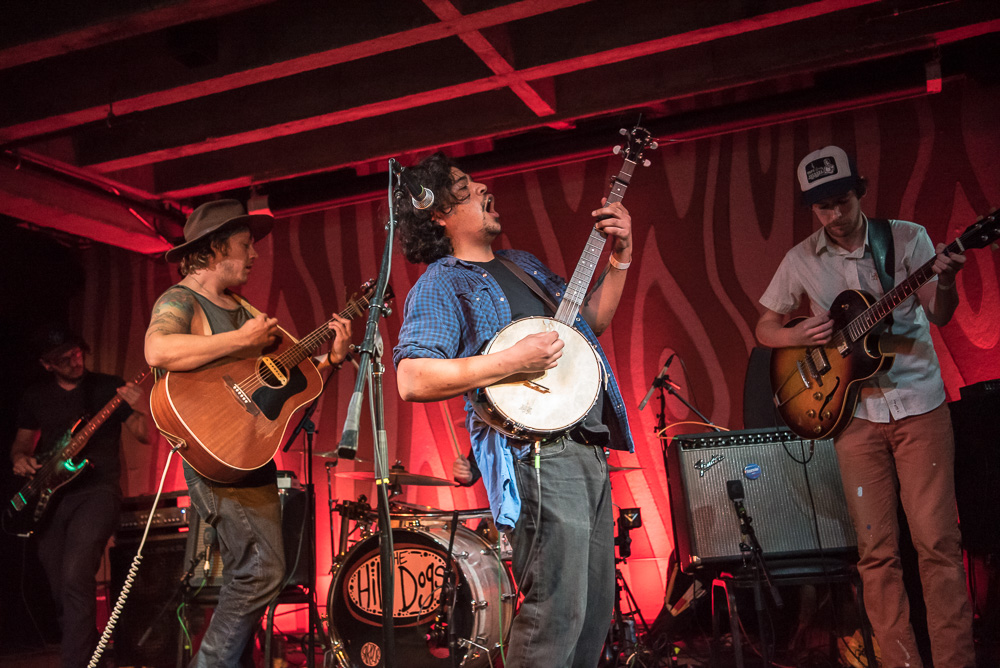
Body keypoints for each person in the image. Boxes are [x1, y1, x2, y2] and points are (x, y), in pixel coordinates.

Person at [393, 153, 636, 668]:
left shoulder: (520, 264)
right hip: (536, 455)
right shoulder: (442, 283)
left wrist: (620, 259)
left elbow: (586, 325)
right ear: (438, 213)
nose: (483, 185)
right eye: (463, 185)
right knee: (557, 613)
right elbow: (412, 377)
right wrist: (507, 361)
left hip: (587, 447)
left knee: (593, 614)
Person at [755, 146, 975, 668]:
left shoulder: (905, 237)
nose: (833, 216)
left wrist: (944, 277)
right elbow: (764, 327)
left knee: (938, 543)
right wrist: (795, 332)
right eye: (822, 207)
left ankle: (955, 662)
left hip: (919, 405)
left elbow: (939, 315)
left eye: (842, 202)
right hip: (853, 417)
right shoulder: (800, 259)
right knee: (877, 554)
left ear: (861, 191)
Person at [144, 199, 352, 667]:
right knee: (259, 572)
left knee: (260, 571)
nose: (254, 256)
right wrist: (240, 340)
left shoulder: (244, 309)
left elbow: (288, 384)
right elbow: (157, 348)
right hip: (213, 453)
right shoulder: (181, 300)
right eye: (244, 245)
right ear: (216, 248)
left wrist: (331, 360)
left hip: (248, 451)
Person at [10, 326, 153, 668]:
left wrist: (141, 405)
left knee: (76, 575)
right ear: (47, 364)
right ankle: (93, 656)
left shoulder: (106, 386)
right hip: (50, 497)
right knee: (61, 585)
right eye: (64, 359)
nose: (75, 361)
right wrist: (19, 459)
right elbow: (22, 443)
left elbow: (144, 434)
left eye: (77, 353)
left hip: (97, 491)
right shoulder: (35, 395)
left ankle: (76, 663)